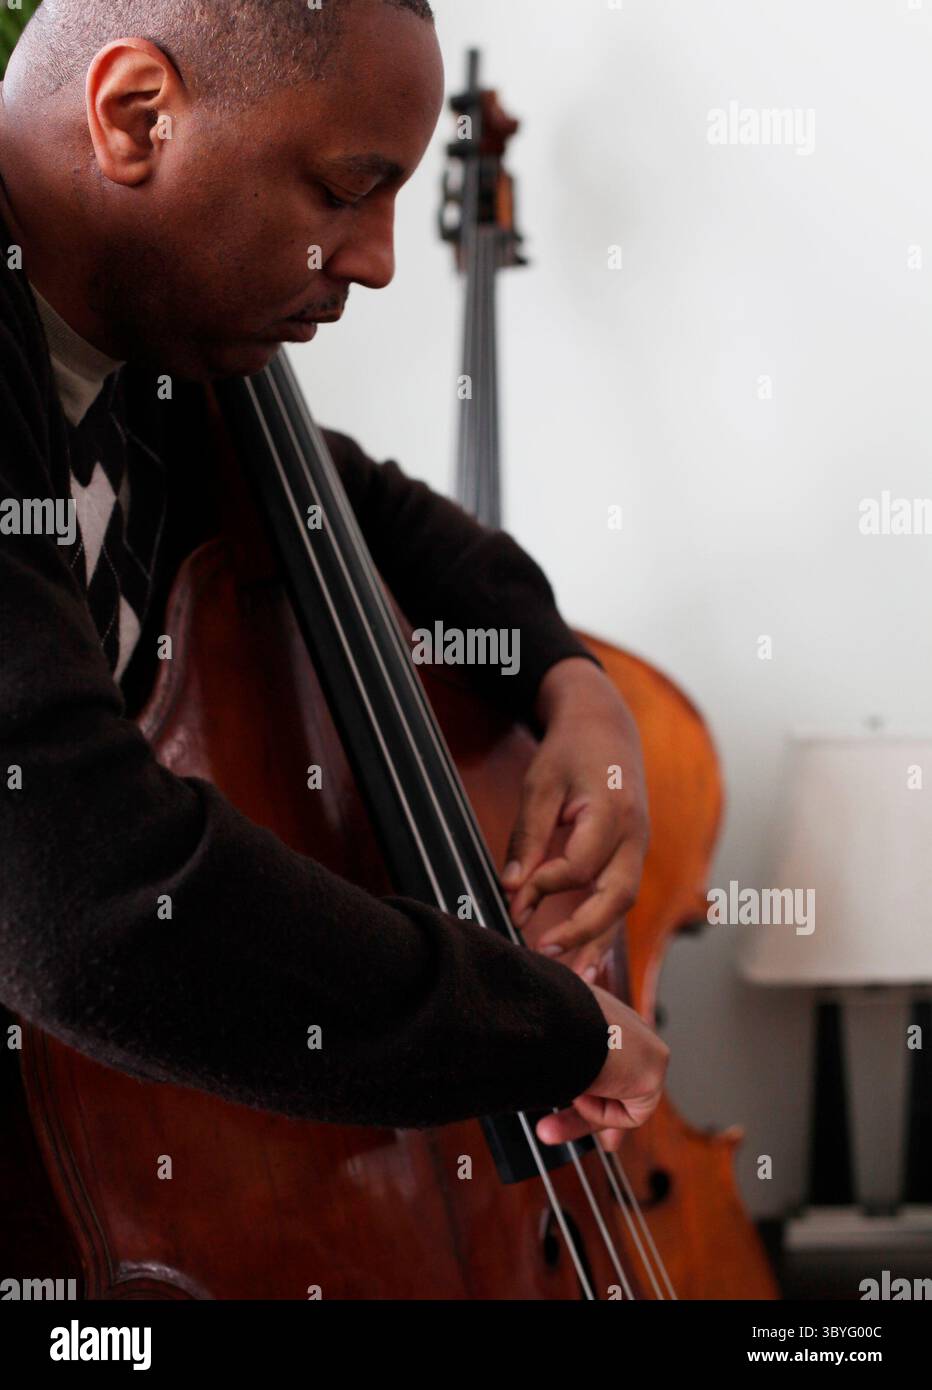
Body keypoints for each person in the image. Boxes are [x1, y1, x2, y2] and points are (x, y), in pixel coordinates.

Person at [0, 0, 667, 1159]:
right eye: (343, 191)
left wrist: (570, 681)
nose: (377, 261)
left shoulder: (150, 368)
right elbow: (85, 894)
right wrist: (535, 1031)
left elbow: (374, 513)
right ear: (136, 117)